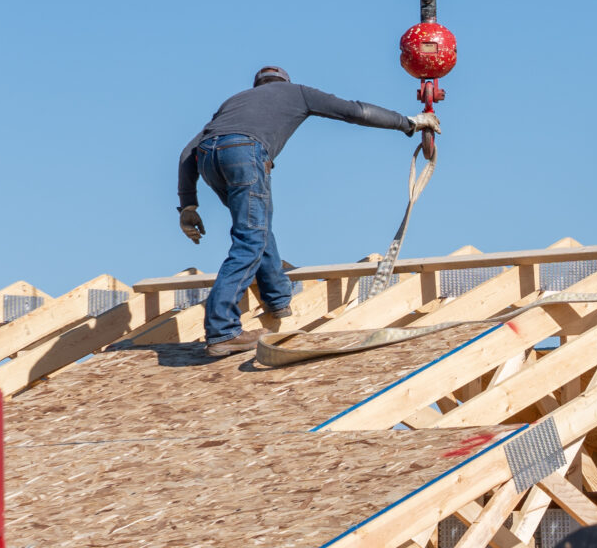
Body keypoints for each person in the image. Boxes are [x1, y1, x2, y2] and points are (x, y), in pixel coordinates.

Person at [177, 66, 437, 355]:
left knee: (256, 229)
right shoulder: (296, 93)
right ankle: (222, 329)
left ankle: (277, 298)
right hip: (244, 154)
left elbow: (188, 151)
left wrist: (188, 204)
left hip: (209, 160)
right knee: (250, 239)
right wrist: (410, 123)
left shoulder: (234, 101)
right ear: (286, 83)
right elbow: (356, 111)